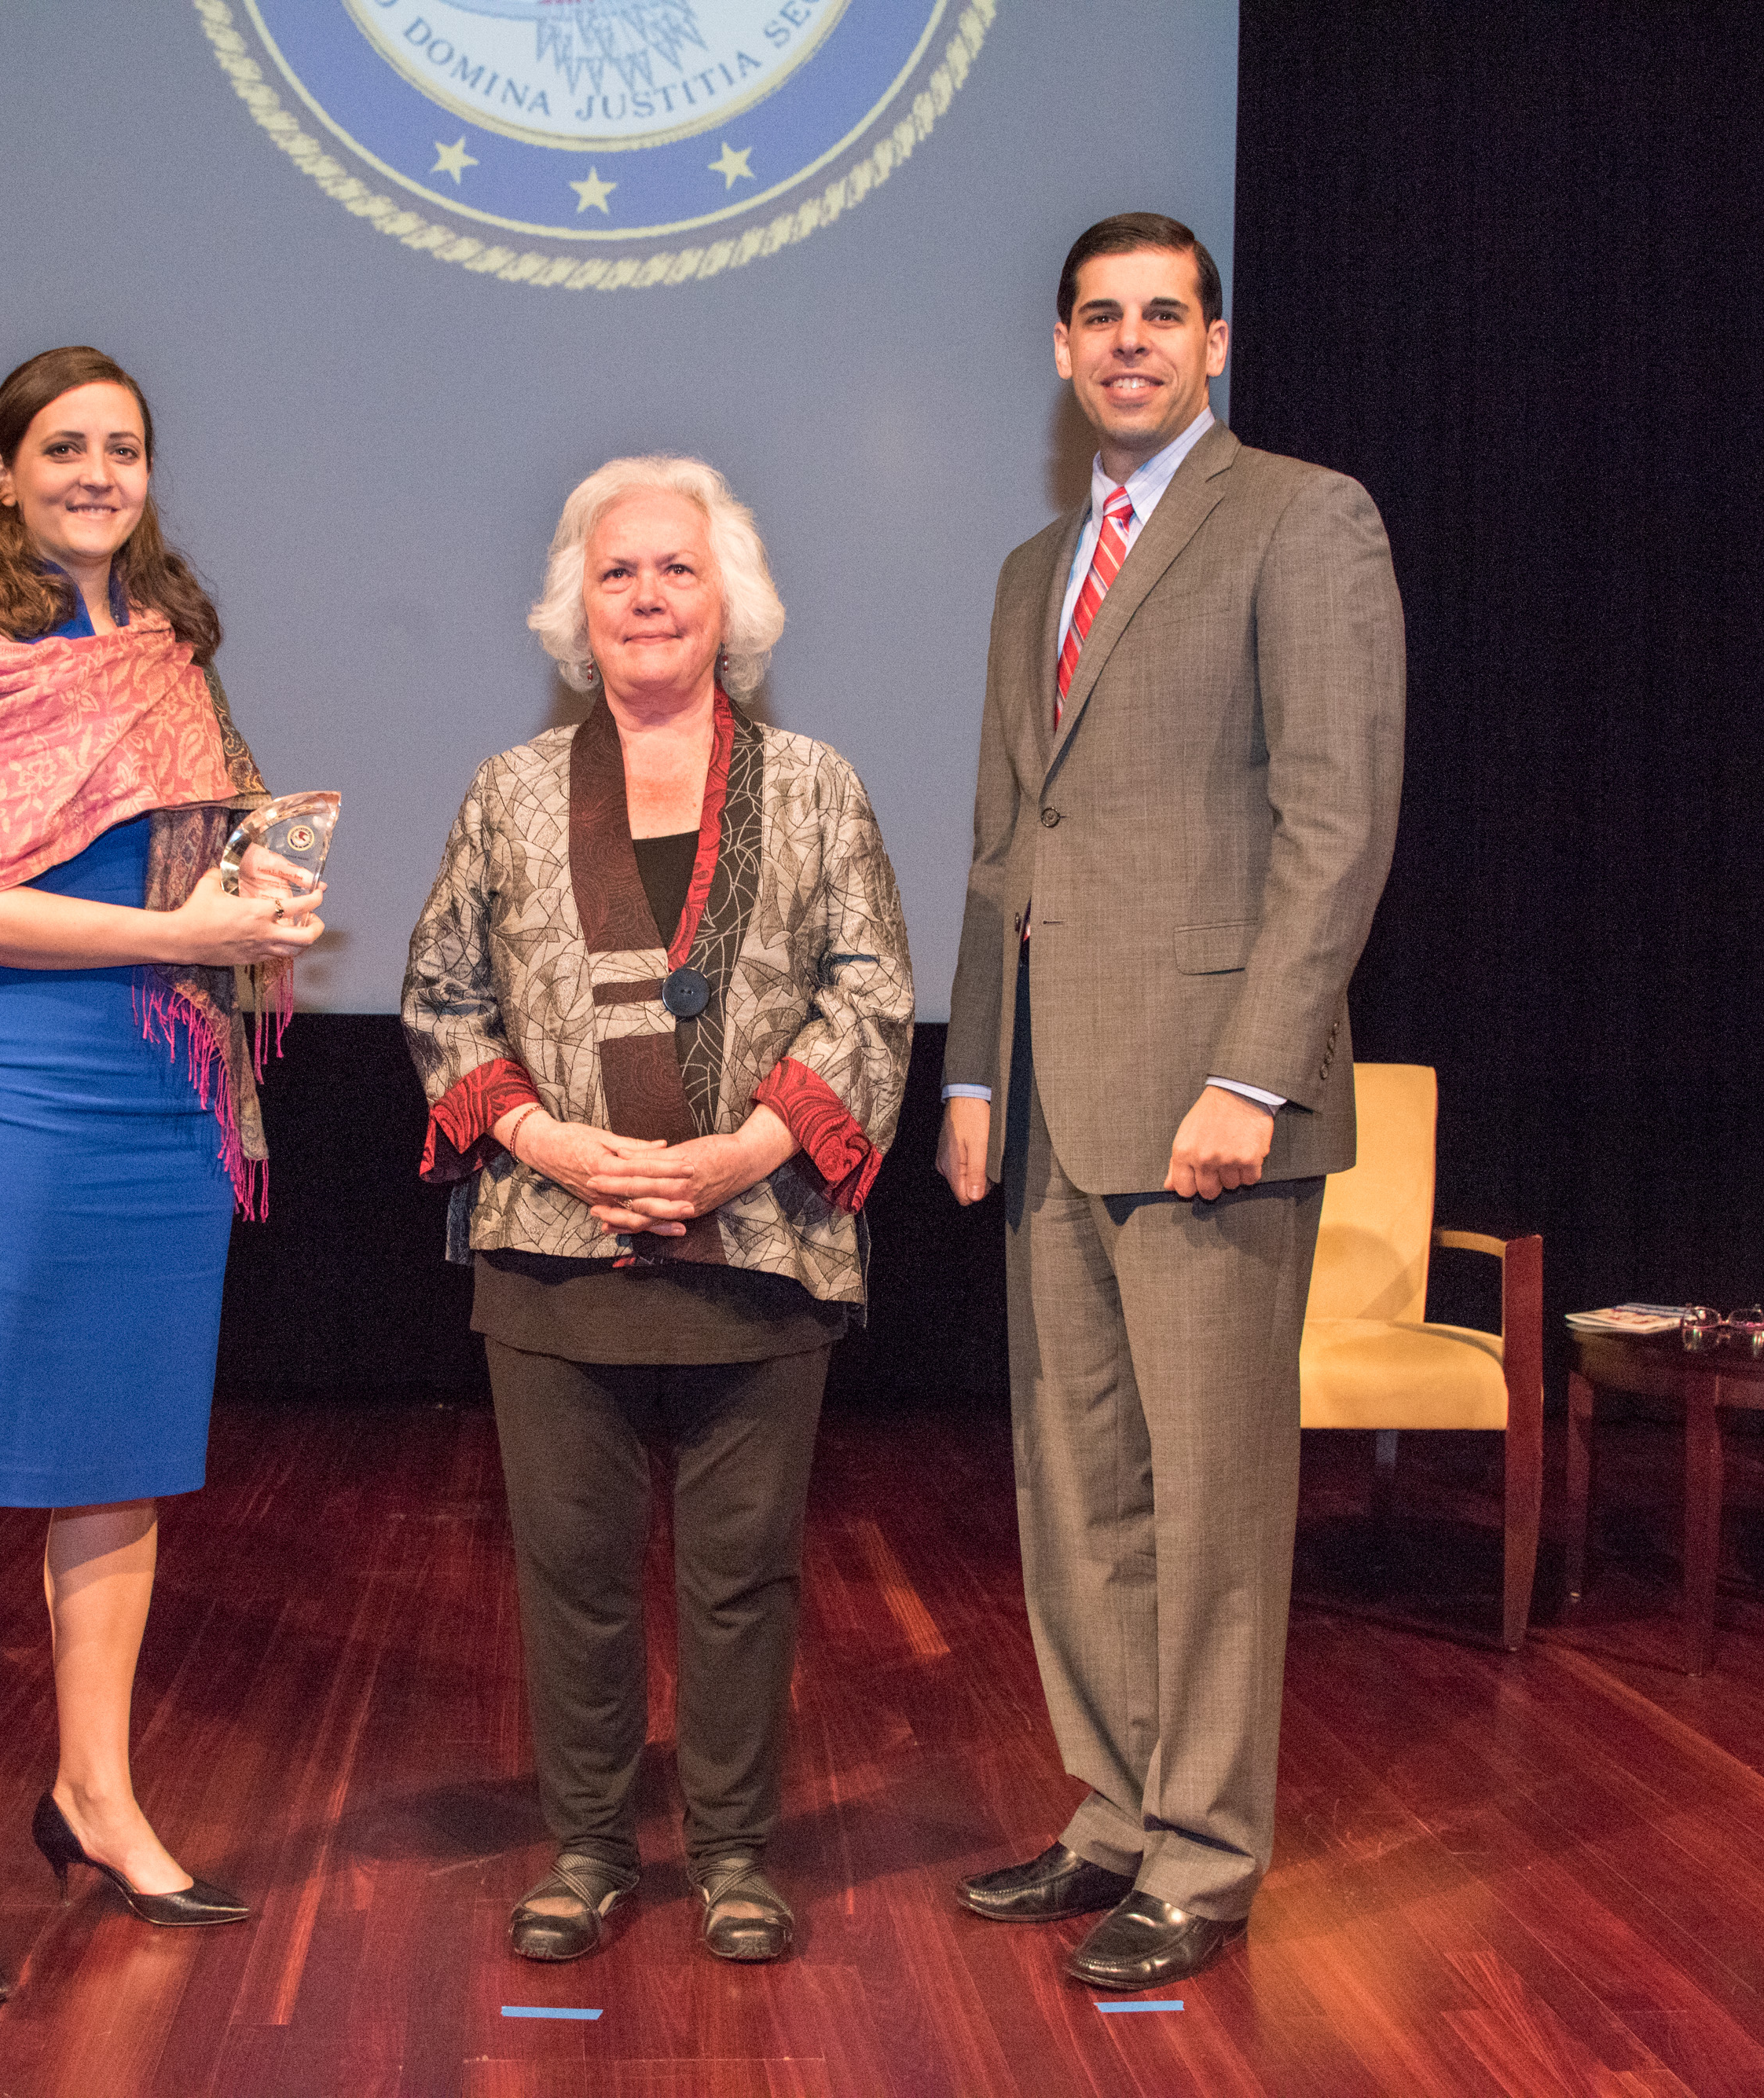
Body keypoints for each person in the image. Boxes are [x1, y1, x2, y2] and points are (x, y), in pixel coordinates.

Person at [938, 215, 1405, 1990]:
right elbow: (1005, 848)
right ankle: (1113, 1816)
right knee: (1078, 1492)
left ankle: (1203, 1859)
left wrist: (1250, 1072)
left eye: (1162, 316)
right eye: (1097, 318)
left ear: (1214, 342)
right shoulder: (1024, 571)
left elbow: (1334, 827)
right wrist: (973, 1068)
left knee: (1207, 1501)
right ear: (1060, 352)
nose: (1128, 342)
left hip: (1211, 1101)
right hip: (1053, 1095)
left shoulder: (1301, 518)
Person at [0, 347, 321, 2002]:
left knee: (118, 1461)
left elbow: (197, 856)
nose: (97, 472)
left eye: (123, 446)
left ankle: (94, 1795)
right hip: (15, 1092)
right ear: (0, 472)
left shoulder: (168, 645)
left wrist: (253, 911)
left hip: (166, 1093)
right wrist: (178, 931)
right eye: (64, 447)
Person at [402, 456, 913, 1966]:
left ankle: (739, 1855)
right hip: (553, 1250)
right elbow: (443, 996)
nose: (646, 595)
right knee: (570, 1570)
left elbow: (873, 994)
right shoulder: (506, 793)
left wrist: (749, 1151)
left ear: (728, 602)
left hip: (764, 1244)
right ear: (578, 606)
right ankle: (588, 1847)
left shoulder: (818, 784)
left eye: (676, 569)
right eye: (618, 571)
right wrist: (553, 1144)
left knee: (743, 1574)